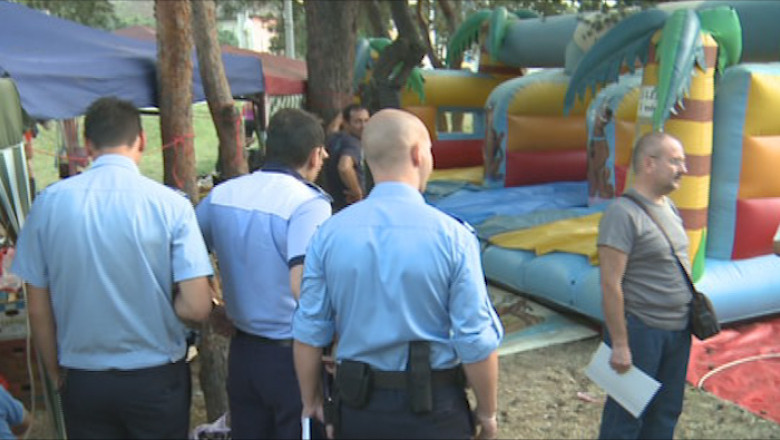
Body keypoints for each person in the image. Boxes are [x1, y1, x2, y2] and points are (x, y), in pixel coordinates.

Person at [293, 109, 504, 439]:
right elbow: (475, 339)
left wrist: (313, 401)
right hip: (435, 410)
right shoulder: (453, 237)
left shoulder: (329, 234)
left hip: (359, 409)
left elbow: (309, 330)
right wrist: (487, 412)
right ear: (418, 154)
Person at [11, 96, 215, 439]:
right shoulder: (171, 206)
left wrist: (53, 370)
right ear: (142, 140)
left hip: (83, 375)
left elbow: (37, 306)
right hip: (156, 376)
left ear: (87, 145)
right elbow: (197, 306)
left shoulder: (48, 205)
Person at [196, 108, 331, 439]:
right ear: (315, 156)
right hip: (293, 357)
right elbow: (305, 287)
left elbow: (182, 255)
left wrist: (211, 305)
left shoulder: (223, 195)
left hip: (243, 354)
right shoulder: (308, 204)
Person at [597, 131, 692, 439]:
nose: (684, 169)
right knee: (625, 417)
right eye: (676, 161)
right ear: (650, 164)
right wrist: (621, 344)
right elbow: (610, 283)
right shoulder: (621, 214)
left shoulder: (670, 208)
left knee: (665, 413)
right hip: (641, 331)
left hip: (677, 331)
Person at [322, 104, 370, 212]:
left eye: (366, 120)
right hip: (350, 206)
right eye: (358, 121)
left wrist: (341, 113)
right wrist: (357, 193)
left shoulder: (333, 137)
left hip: (332, 204)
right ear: (346, 124)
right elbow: (344, 167)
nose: (363, 126)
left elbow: (332, 129)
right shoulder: (354, 143)